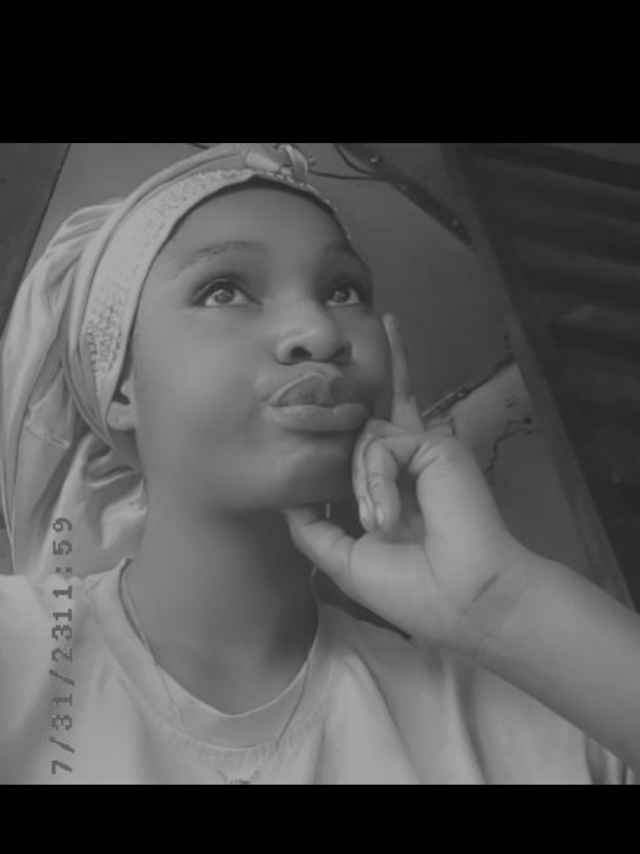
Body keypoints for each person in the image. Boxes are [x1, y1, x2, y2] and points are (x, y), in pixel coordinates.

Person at [0, 142, 638, 785]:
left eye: (343, 290)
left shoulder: (502, 723)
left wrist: (501, 603)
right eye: (224, 291)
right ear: (118, 387)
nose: (320, 331)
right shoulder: (21, 654)